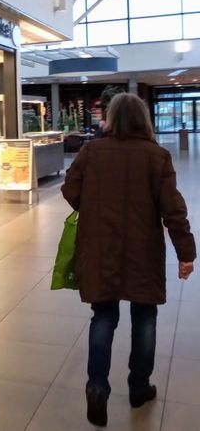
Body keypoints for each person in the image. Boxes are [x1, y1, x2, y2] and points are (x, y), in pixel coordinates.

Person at [61, 92, 196, 428]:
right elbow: (173, 210)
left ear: (112, 118)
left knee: (103, 316)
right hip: (143, 250)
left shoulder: (91, 151)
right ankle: (138, 387)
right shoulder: (157, 156)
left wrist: (93, 205)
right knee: (145, 316)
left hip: (100, 247)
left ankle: (97, 387)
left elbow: (70, 190)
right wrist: (186, 253)